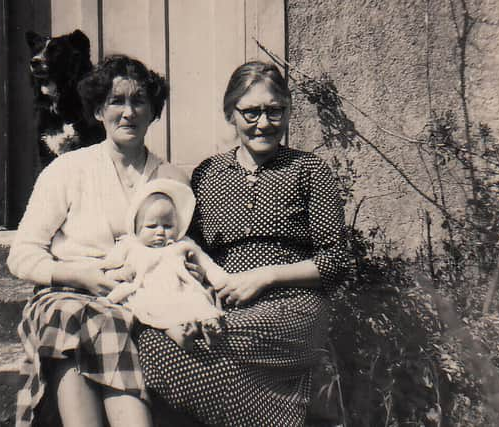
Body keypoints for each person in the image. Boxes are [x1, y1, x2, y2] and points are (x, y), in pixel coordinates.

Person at [137, 61, 348, 426]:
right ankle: (276, 416)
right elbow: (192, 248)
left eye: (274, 110)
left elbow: (335, 261)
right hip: (221, 304)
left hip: (291, 309)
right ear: (229, 114)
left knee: (194, 342)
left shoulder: (309, 169)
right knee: (153, 343)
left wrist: (263, 277)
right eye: (250, 112)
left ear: (288, 110)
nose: (263, 123)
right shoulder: (208, 173)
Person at [7, 55, 190, 427]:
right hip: (68, 294)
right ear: (98, 110)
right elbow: (21, 256)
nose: (128, 112)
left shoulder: (170, 179)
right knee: (76, 315)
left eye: (139, 100)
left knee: (101, 321)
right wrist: (79, 276)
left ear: (153, 110)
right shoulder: (68, 170)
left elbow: (177, 252)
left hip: (141, 295)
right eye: (116, 101)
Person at [102, 178, 226, 349]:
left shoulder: (183, 244)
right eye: (152, 226)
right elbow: (108, 268)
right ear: (136, 227)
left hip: (182, 289)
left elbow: (208, 265)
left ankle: (209, 325)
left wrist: (224, 281)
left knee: (199, 300)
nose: (160, 232)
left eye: (168, 226)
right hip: (148, 290)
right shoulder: (129, 245)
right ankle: (180, 334)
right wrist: (122, 273)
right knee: (150, 307)